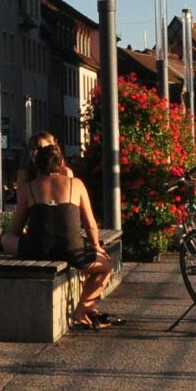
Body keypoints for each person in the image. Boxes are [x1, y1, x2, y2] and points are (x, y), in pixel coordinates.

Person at [14, 134, 118, 328]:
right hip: (72, 249)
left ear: (37, 162)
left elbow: (16, 228)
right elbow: (90, 223)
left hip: (36, 248)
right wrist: (96, 246)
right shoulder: (75, 183)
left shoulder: (28, 187)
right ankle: (82, 309)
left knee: (5, 240)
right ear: (60, 161)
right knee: (106, 266)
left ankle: (88, 309)